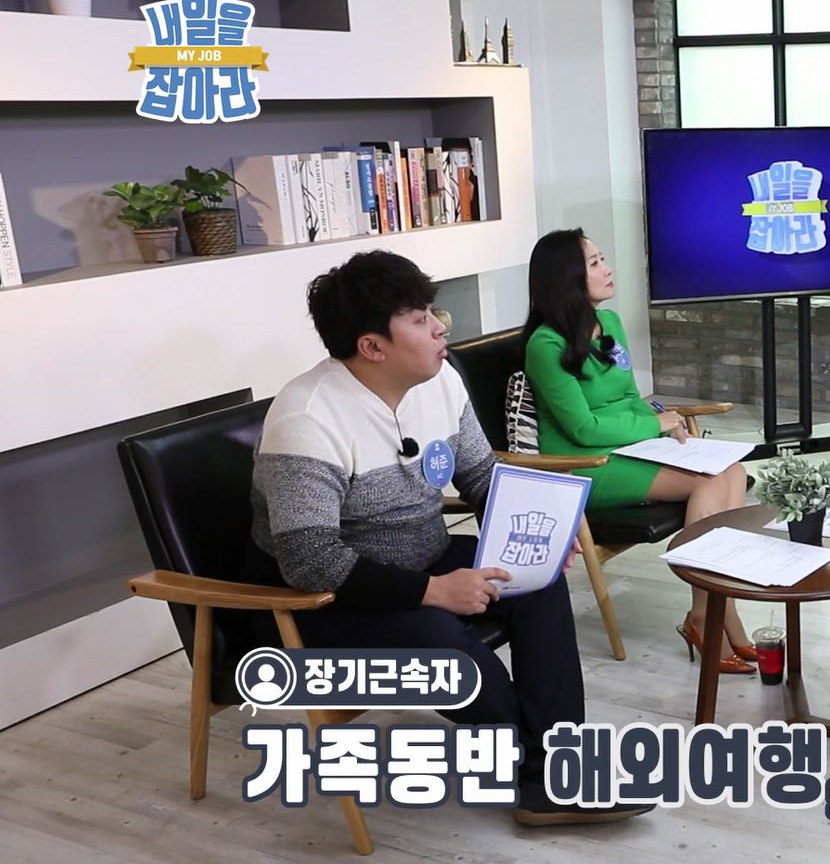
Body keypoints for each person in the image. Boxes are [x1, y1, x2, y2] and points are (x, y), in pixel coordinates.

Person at [250, 250, 652, 825]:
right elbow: (310, 560)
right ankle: (539, 775)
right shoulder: (307, 419)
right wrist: (434, 591)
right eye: (420, 319)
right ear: (373, 347)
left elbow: (481, 476)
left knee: (535, 583)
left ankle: (554, 763)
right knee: (447, 645)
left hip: (424, 557)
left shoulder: (438, 381)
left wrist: (530, 536)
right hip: (330, 600)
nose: (441, 327)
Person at [522, 228, 756, 674]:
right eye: (595, 263)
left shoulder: (609, 323)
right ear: (567, 277)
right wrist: (653, 426)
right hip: (583, 463)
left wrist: (663, 427)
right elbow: (583, 429)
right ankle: (711, 615)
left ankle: (714, 612)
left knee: (733, 471)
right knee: (710, 481)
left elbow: (630, 397)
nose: (607, 269)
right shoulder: (545, 345)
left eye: (602, 259)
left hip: (632, 445)